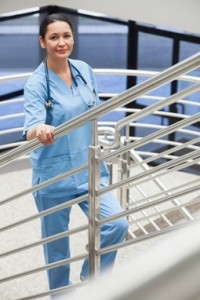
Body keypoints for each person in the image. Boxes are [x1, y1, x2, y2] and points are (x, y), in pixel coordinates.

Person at [23, 13, 128, 293]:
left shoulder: (84, 69)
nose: (61, 42)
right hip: (54, 177)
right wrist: (40, 129)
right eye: (54, 37)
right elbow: (31, 126)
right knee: (57, 250)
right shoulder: (36, 83)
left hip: (89, 169)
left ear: (73, 37)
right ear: (42, 42)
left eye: (66, 35)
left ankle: (91, 279)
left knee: (116, 224)